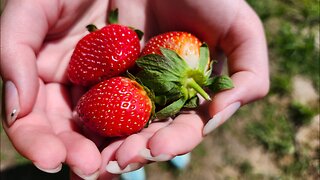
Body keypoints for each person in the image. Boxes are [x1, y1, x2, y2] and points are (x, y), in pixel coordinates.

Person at [0, 0, 269, 179]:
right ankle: (132, 165)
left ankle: (154, 156)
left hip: (168, 103)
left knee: (179, 123)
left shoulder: (161, 81)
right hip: (157, 103)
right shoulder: (137, 74)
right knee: (139, 144)